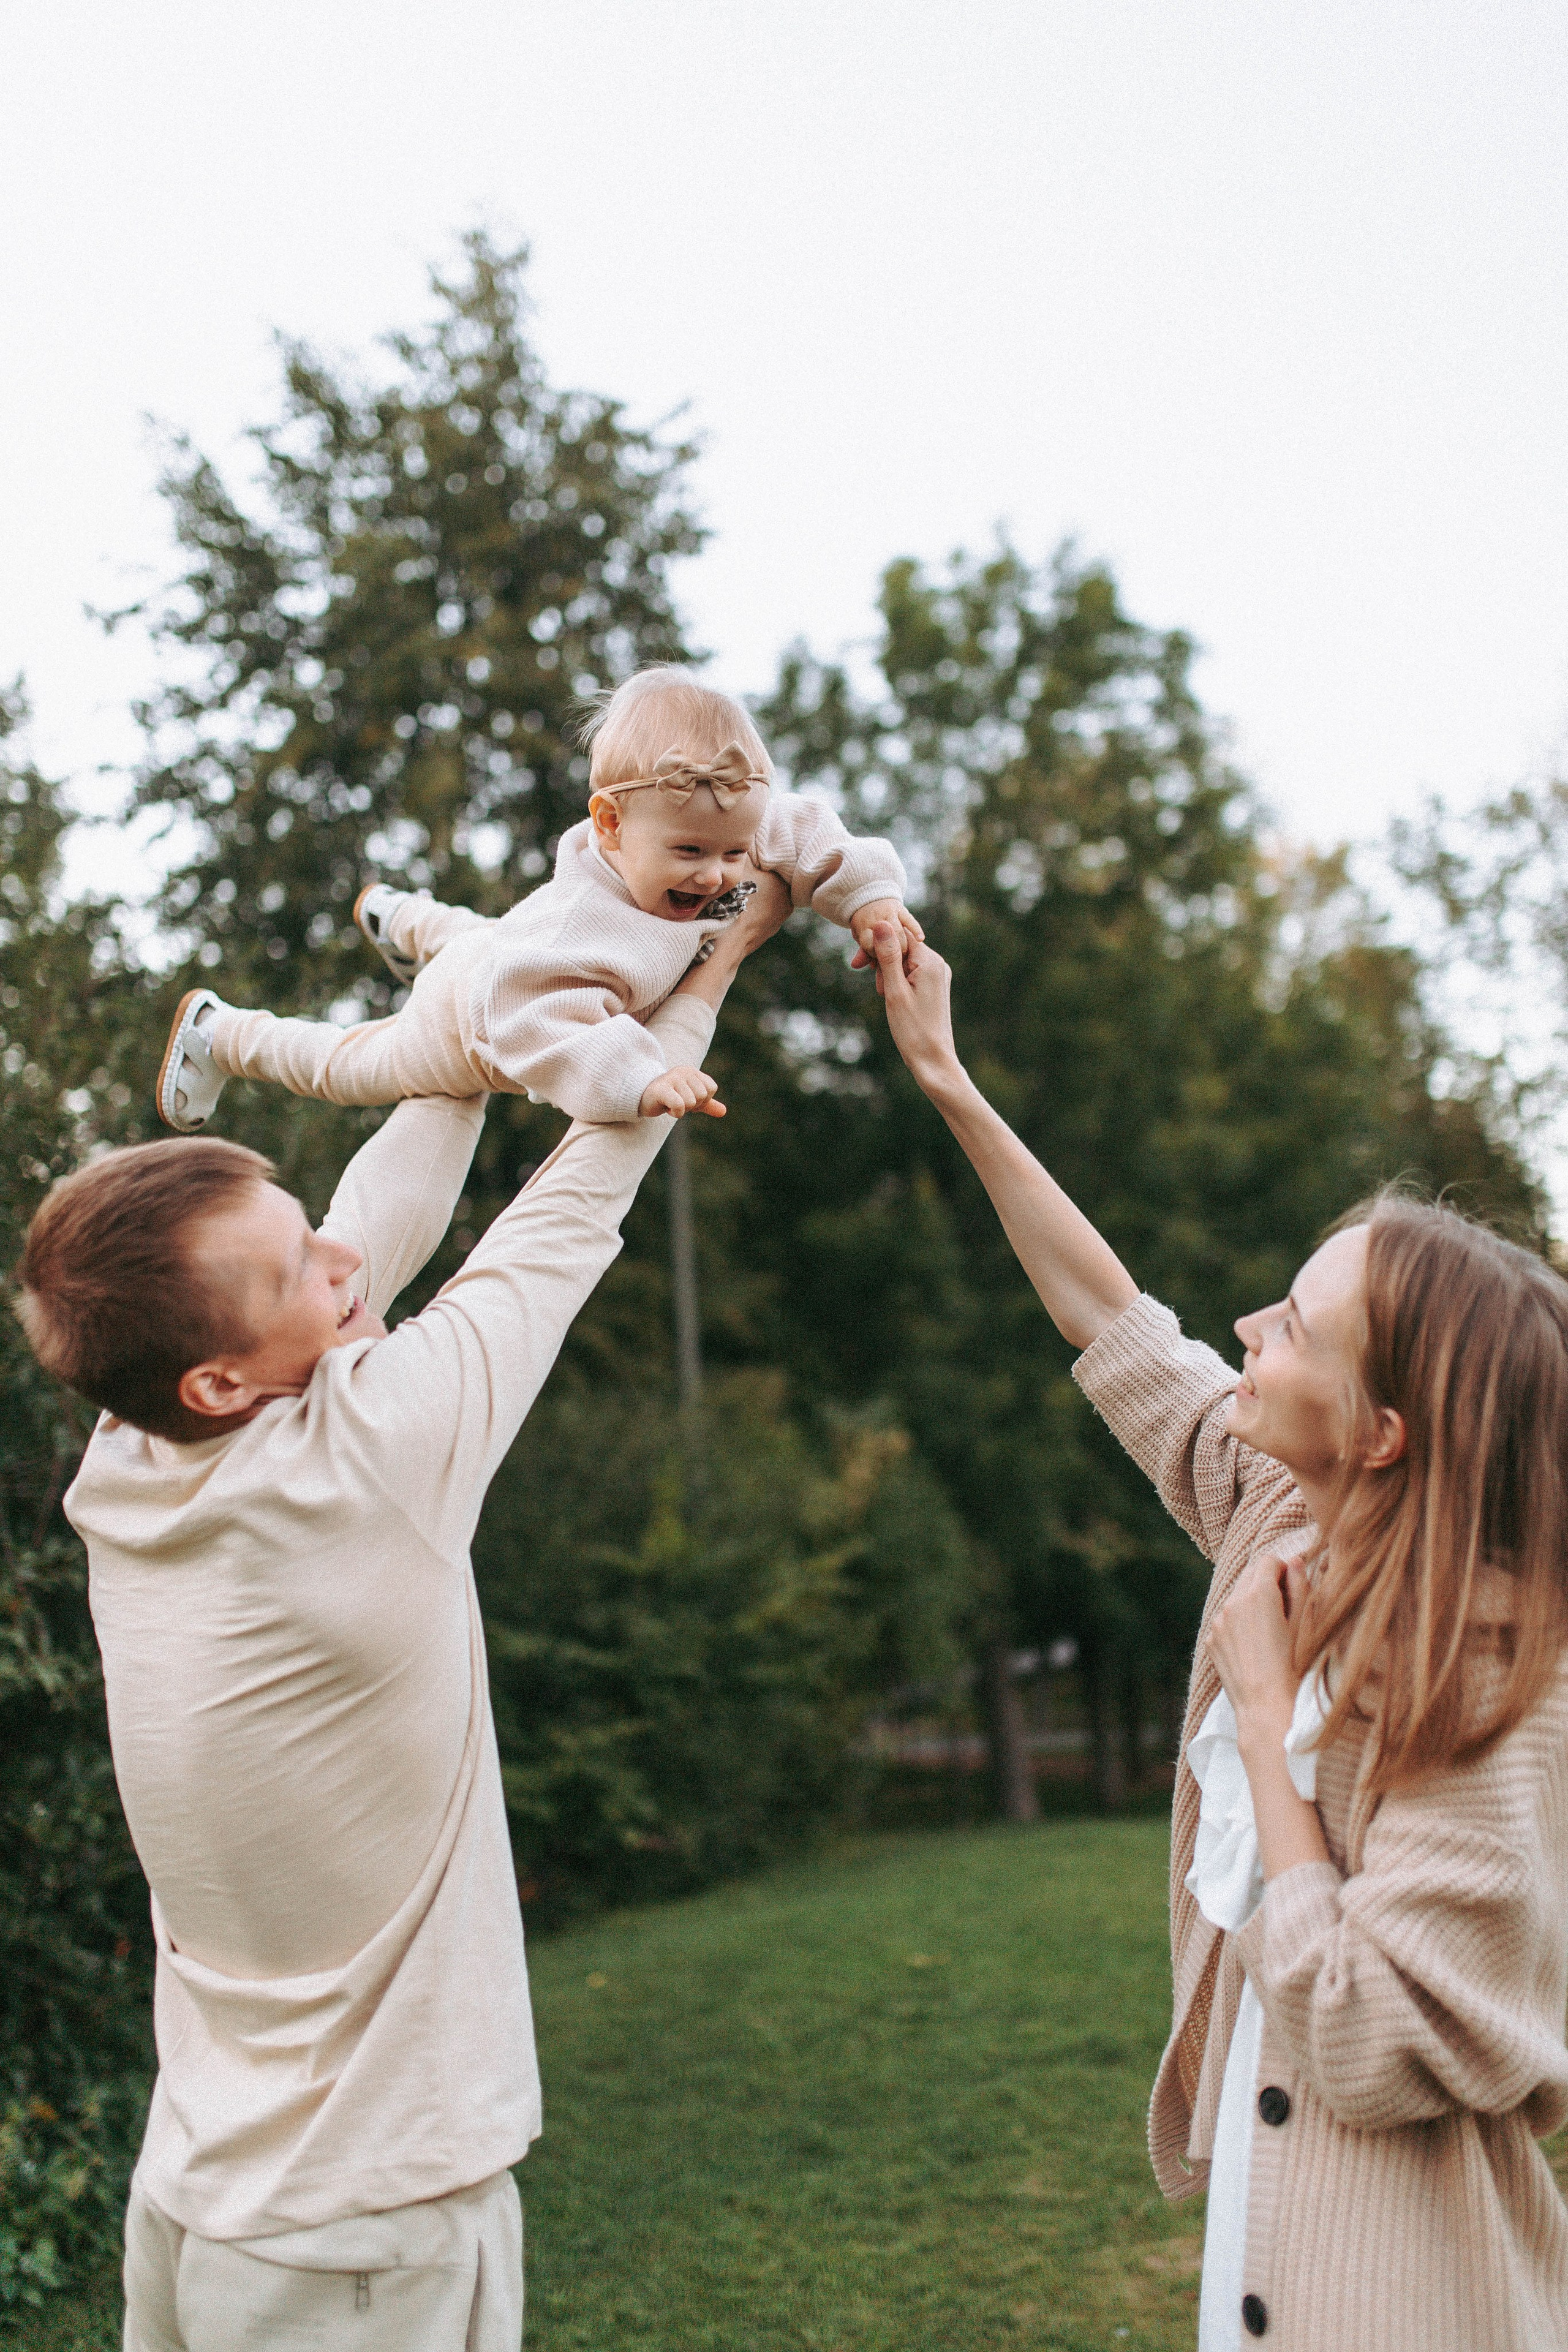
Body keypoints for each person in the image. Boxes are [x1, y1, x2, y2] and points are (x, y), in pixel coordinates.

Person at [13, 877, 788, 2352]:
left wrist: (502, 982)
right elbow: (590, 1175)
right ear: (220, 1379)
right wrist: (711, 960)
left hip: (197, 2196)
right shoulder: (371, 1458)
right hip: (361, 2238)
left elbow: (389, 1192)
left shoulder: (126, 1460)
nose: (345, 1260)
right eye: (299, 1267)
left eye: (309, 1229)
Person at [863, 918, 1568, 2352]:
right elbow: (1109, 1318)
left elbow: (1370, 2038)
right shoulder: (1279, 1510)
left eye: (1294, 1328)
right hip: (1266, 2252)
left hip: (1401, 2298)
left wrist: (1263, 1723)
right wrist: (946, 1076)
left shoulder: (1487, 1671)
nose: (1249, 1325)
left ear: (1382, 1433)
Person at [156, 666, 922, 1134]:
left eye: (731, 852)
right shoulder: (578, 930)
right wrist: (641, 1078)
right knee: (351, 1066)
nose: (719, 876)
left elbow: (806, 828)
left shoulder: (721, 817)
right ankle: (222, 1033)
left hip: (503, 947)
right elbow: (539, 1022)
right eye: (689, 855)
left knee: (485, 933)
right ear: (610, 826)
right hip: (469, 1020)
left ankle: (399, 915)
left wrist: (868, 900)